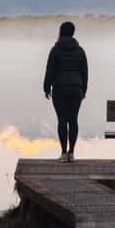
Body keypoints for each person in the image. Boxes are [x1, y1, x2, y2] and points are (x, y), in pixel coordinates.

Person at [44, 22, 88, 163]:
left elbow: (49, 70)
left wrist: (46, 88)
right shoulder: (80, 50)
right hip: (76, 88)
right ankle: (72, 153)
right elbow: (85, 72)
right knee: (73, 120)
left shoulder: (55, 50)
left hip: (59, 89)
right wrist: (84, 90)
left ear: (61, 32)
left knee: (62, 120)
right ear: (73, 33)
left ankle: (63, 153)